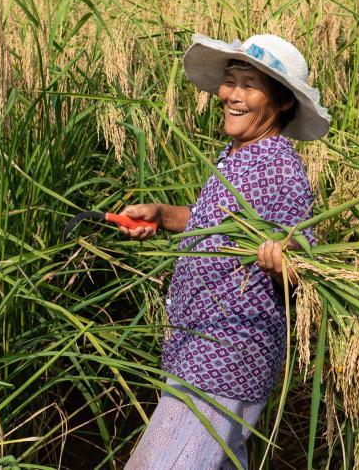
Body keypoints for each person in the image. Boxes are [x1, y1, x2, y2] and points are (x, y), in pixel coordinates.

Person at [122, 34, 330, 469]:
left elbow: (303, 268)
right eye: (230, 81)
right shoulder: (237, 152)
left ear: (283, 103)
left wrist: (281, 265)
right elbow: (213, 220)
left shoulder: (279, 168)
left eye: (249, 85)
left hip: (226, 357)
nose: (232, 95)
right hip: (193, 347)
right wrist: (162, 214)